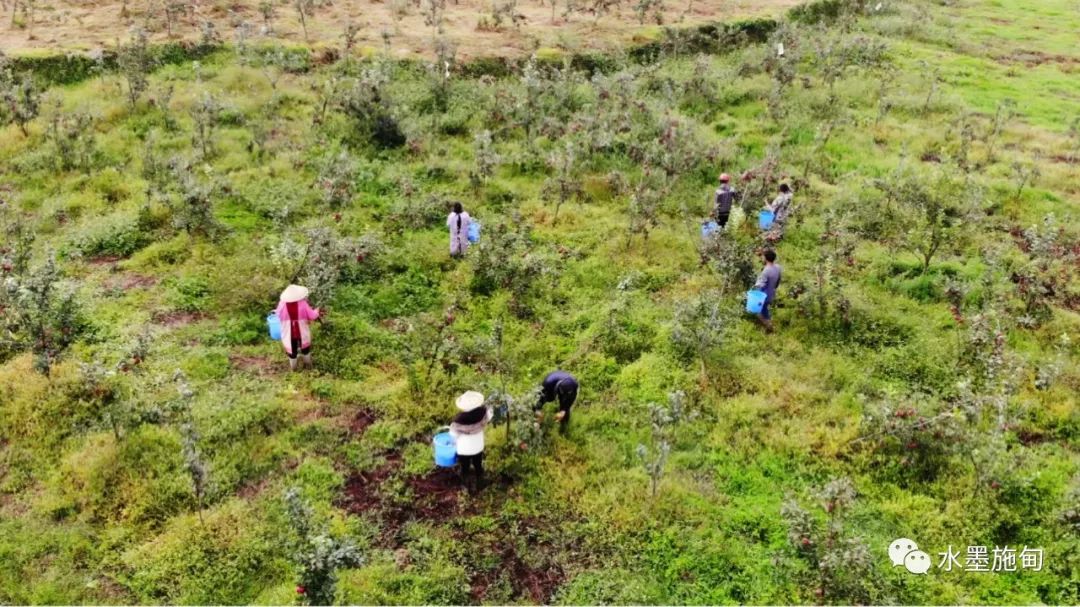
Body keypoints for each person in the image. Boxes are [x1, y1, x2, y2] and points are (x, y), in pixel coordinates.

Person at [449, 391, 492, 493]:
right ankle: (480, 483)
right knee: (478, 465)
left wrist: (452, 443)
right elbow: (490, 416)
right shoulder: (484, 412)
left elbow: (453, 435)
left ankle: (466, 487)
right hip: (478, 446)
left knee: (465, 468)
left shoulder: (458, 420)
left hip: (464, 449)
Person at [276, 284, 321, 371]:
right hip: (301, 330)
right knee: (305, 349)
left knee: (292, 351)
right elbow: (312, 316)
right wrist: (317, 310)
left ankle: (294, 369)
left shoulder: (282, 304)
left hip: (288, 332)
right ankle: (308, 367)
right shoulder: (303, 303)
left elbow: (278, 315)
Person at [752, 250, 782, 333]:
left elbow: (760, 285)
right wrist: (773, 288)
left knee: (758, 312)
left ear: (765, 258)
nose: (762, 258)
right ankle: (767, 329)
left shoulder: (766, 271)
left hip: (763, 295)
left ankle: (770, 328)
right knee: (765, 310)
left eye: (763, 256)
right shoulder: (778, 267)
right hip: (771, 293)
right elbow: (778, 280)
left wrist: (754, 292)